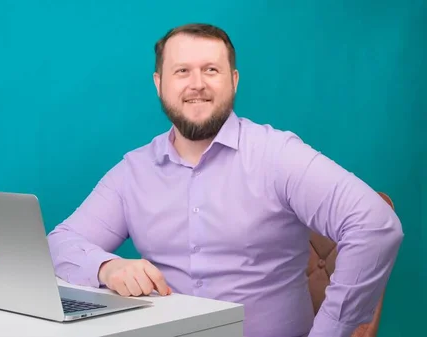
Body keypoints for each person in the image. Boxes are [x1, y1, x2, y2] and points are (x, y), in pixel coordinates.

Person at [46, 23, 404, 337]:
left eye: (211, 70)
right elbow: (60, 243)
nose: (197, 84)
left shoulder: (278, 155)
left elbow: (376, 226)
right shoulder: (133, 170)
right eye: (182, 71)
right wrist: (106, 267)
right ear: (159, 83)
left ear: (233, 80)